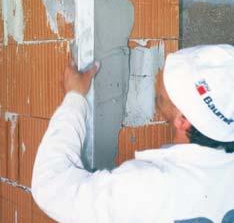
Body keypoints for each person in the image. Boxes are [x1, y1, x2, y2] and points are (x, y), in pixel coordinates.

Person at [32, 44, 234, 223]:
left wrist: (74, 98)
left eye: (169, 81)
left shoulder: (149, 188)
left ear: (183, 121)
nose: (158, 75)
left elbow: (51, 186)